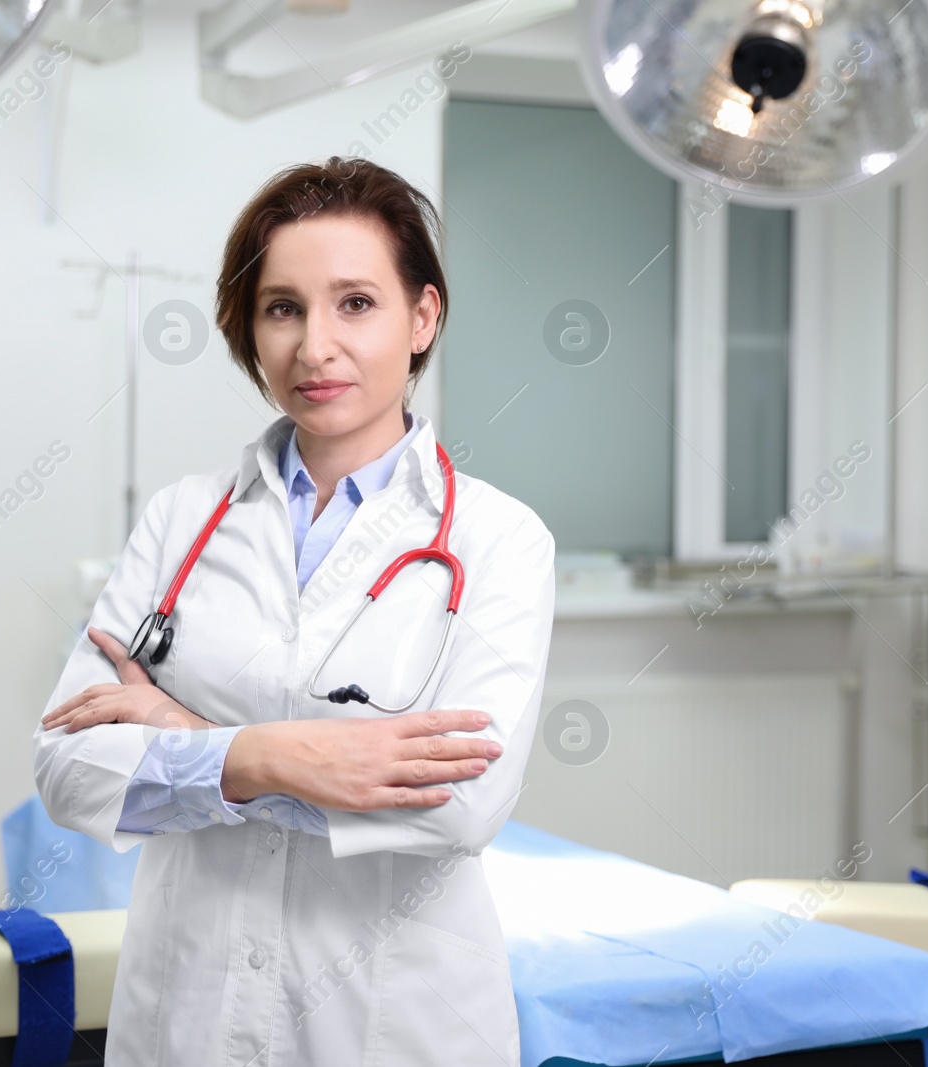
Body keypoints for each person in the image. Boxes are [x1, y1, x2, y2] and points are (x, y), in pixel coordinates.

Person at [33, 156, 556, 1067]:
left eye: (356, 302)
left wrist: (185, 737)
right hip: (186, 1013)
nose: (315, 346)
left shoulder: (500, 539)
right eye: (284, 307)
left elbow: (459, 806)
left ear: (422, 315)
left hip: (392, 1025)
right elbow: (69, 764)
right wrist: (269, 754)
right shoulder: (181, 519)